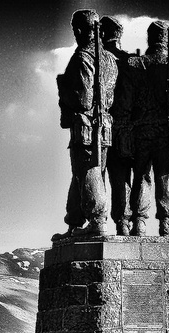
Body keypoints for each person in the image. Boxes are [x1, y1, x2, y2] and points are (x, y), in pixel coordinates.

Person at [54, 10, 117, 239]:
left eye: (75, 29)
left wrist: (63, 91)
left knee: (88, 171)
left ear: (79, 29)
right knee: (84, 173)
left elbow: (83, 99)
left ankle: (98, 220)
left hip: (85, 126)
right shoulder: (109, 58)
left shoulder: (83, 57)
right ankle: (75, 222)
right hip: (104, 126)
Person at [127, 20, 169, 240]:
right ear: (167, 39)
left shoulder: (134, 64)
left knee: (141, 176)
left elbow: (125, 101)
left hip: (140, 130)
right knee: (166, 176)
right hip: (166, 130)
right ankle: (166, 225)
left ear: (149, 39)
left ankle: (139, 224)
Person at [100, 16, 145, 235]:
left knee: (116, 178)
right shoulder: (133, 62)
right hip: (132, 130)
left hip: (109, 127)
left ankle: (122, 223)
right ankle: (137, 222)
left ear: (102, 33)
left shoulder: (100, 59)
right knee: (136, 177)